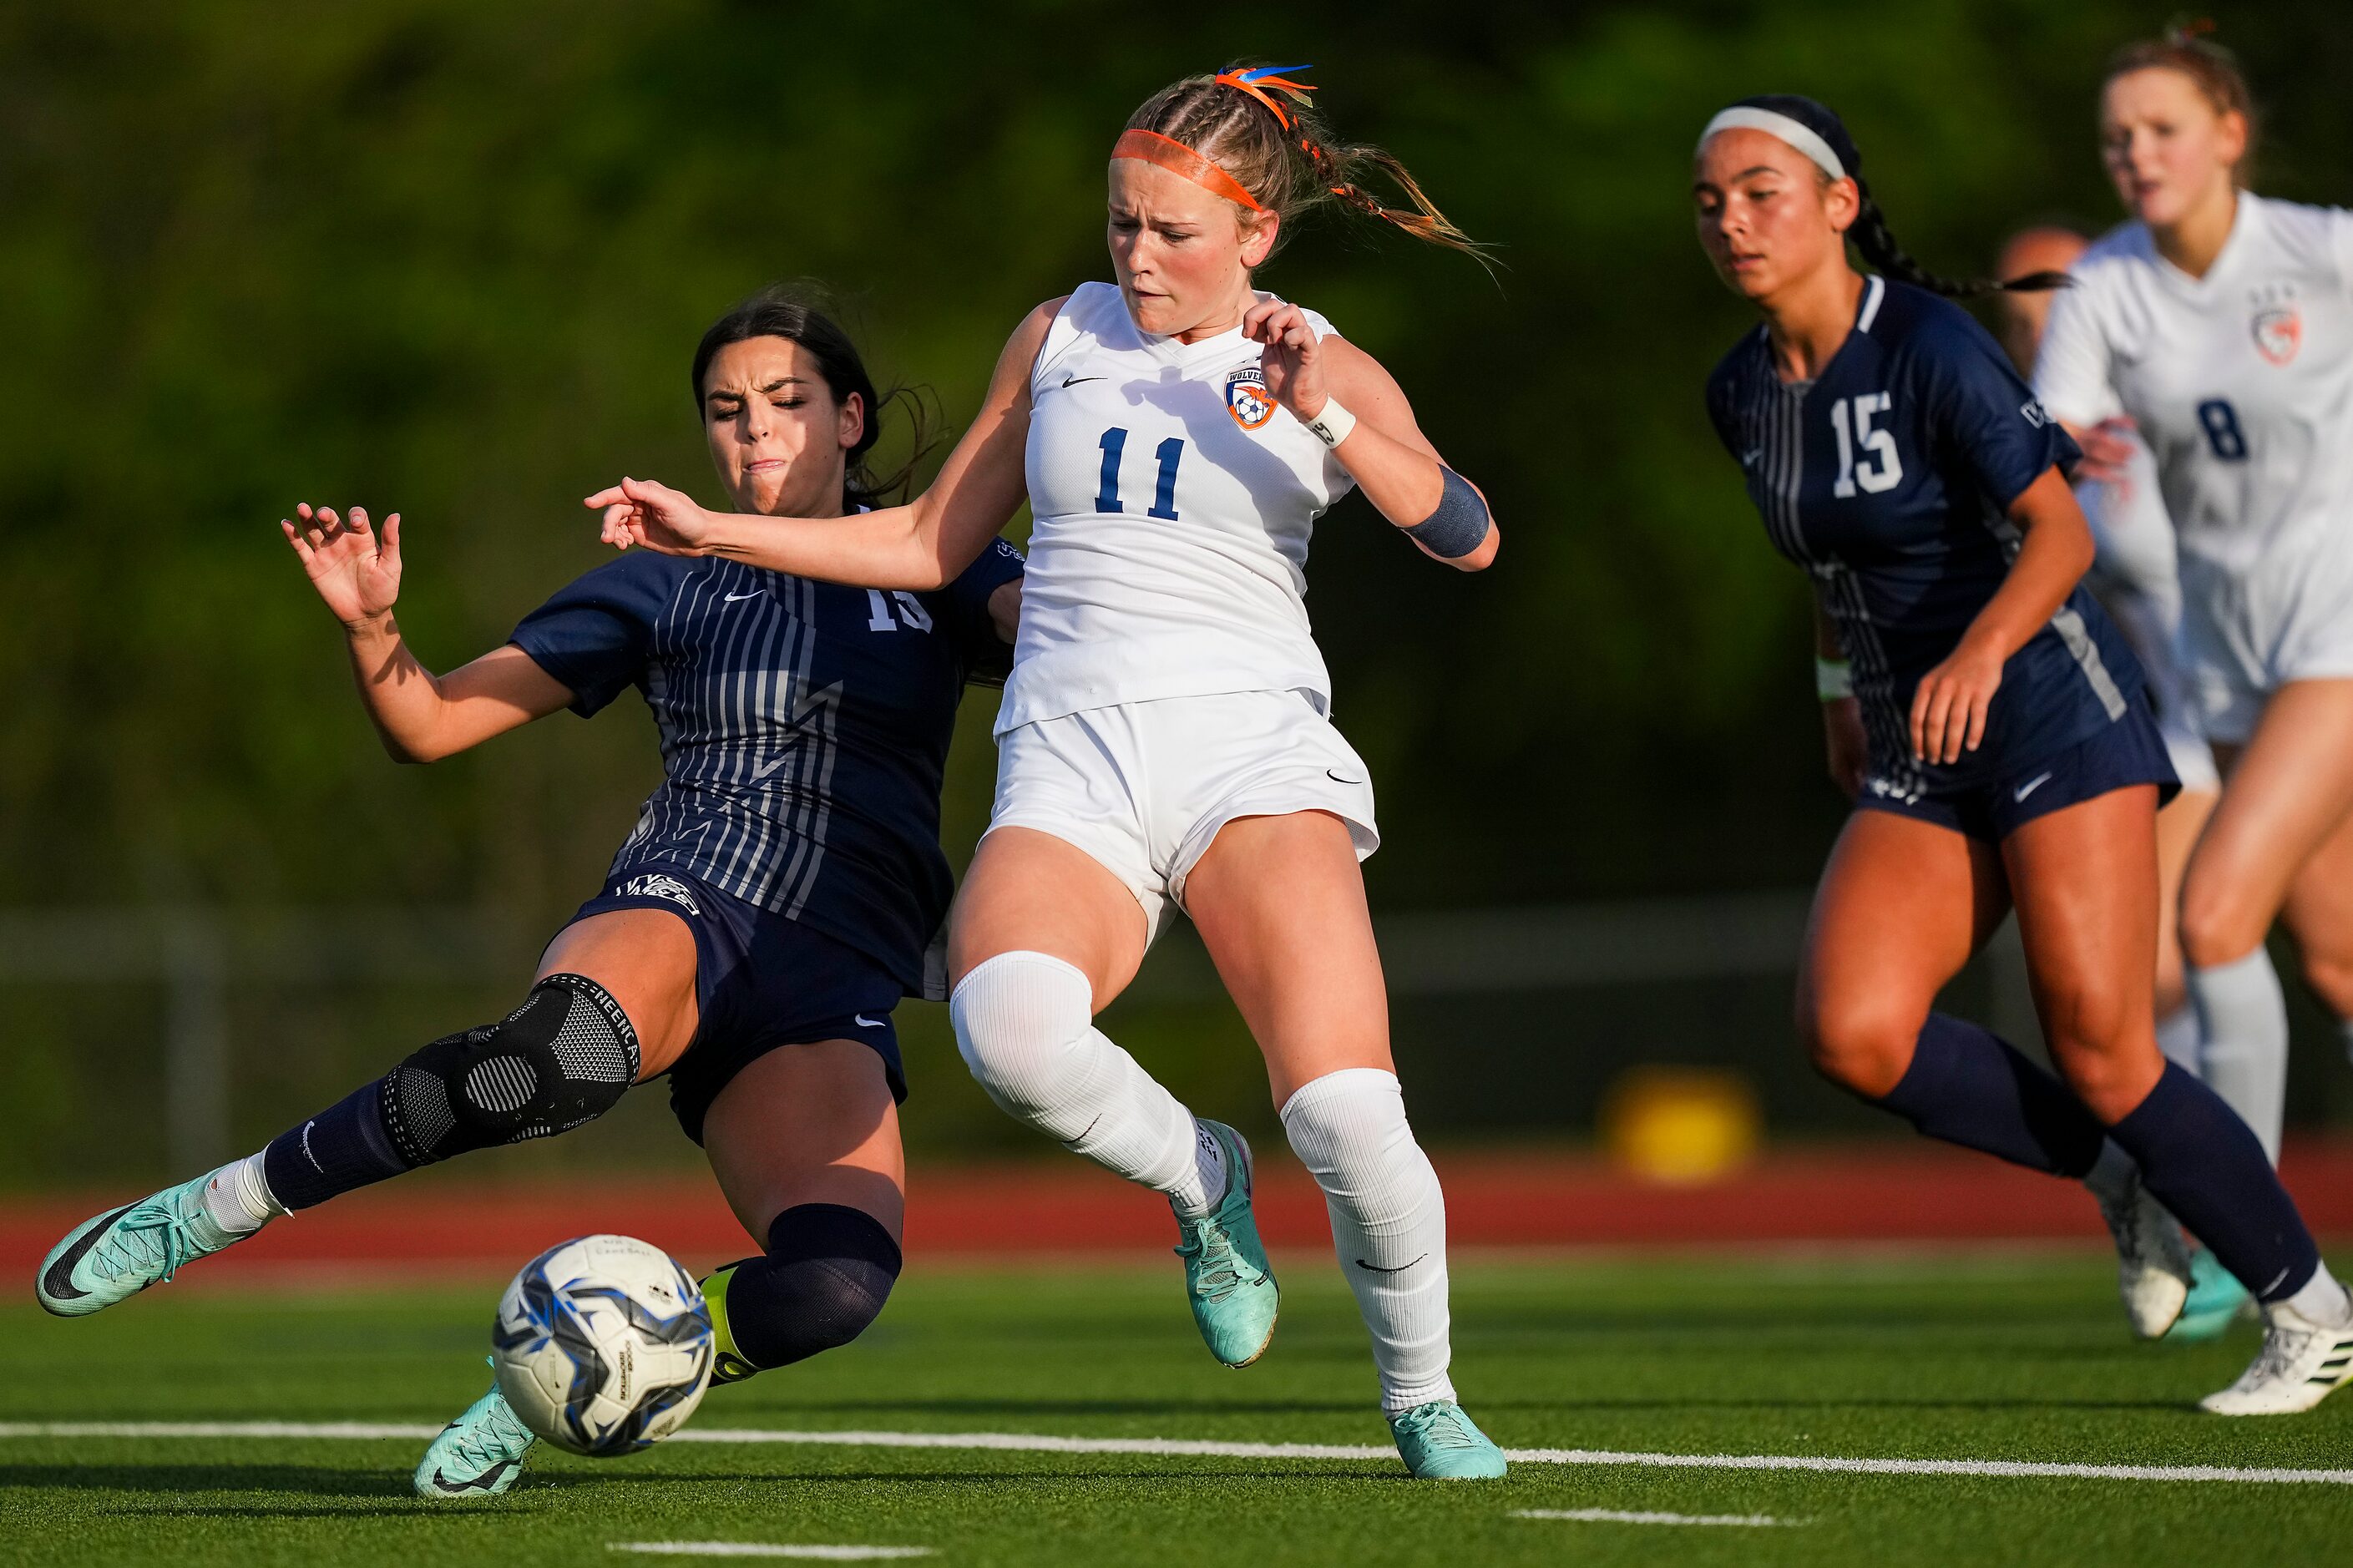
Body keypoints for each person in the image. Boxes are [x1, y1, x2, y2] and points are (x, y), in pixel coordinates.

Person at [580, 64, 1509, 1478]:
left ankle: (1422, 1392)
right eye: (1123, 223)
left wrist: (1323, 412)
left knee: (1343, 1111)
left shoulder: (1319, 357)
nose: (1136, 255)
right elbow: (923, 547)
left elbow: (1465, 533)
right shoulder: (1060, 333)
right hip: (1071, 761)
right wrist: (713, 529)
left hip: (1247, 754)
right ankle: (1204, 1179)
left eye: (1172, 233)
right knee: (1007, 1027)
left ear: (1255, 236)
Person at [34, 290, 1026, 1493]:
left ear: (850, 416)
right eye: (725, 410)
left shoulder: (945, 564)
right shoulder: (668, 574)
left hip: (836, 970)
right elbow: (434, 723)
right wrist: (372, 632)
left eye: (786, 402)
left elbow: (1081, 638)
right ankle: (220, 1204)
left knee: (832, 1287)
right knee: (549, 1064)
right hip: (692, 903)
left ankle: (560, 1381)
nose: (754, 431)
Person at [1694, 93, 2353, 1414]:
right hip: (1913, 744)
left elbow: (2057, 534)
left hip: (2050, 706)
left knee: (2106, 1046)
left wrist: (1982, 653)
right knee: (1854, 1030)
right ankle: (2121, 1177)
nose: (1731, 221)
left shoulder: (1930, 343)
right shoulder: (1738, 392)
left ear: (1837, 204)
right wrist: (1837, 691)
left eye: (1761, 191)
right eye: (1709, 201)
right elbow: (1828, 563)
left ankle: (2308, 1312)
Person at [2033, 27, 2353, 1254]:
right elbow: (2043, 441)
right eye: (2117, 137)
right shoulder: (2107, 284)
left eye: (2162, 128)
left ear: (2229, 134)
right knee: (2332, 957)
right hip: (2225, 653)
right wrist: (2044, 448)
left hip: (2336, 628)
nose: (2136, 153)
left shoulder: (2318, 252)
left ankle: (2254, 1257)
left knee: (2213, 916)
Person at [1994, 223, 2253, 1340]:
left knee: (2222, 960)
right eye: (2019, 312)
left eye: (2060, 300)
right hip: (2173, 732)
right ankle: (2218, 1227)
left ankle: (2217, 1218)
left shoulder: (2171, 408)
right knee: (2164, 973)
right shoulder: (2020, 434)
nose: (2040, 326)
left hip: (2268, 703)